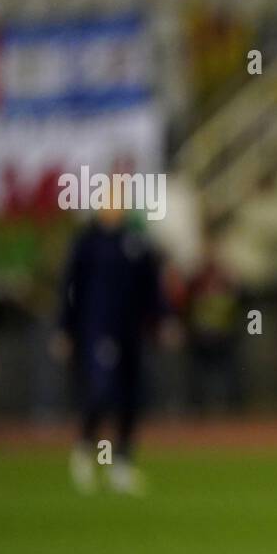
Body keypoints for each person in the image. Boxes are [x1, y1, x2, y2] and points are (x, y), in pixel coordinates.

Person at [56, 198, 168, 495]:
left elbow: (151, 288)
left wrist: (161, 321)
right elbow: (71, 288)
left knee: (131, 397)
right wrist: (66, 329)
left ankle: (120, 463)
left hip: (131, 332)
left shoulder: (136, 242)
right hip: (98, 331)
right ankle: (85, 450)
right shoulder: (88, 244)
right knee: (103, 392)